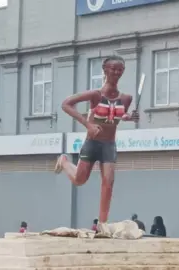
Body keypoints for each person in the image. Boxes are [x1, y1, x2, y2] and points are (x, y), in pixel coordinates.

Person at [54, 56, 139, 236]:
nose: (116, 72)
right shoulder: (95, 95)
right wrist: (88, 125)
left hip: (109, 144)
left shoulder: (126, 98)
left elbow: (115, 117)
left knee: (108, 181)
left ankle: (102, 222)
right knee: (79, 180)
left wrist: (128, 118)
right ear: (105, 70)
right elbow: (66, 104)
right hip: (92, 143)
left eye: (120, 69)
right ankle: (64, 162)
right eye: (113, 69)